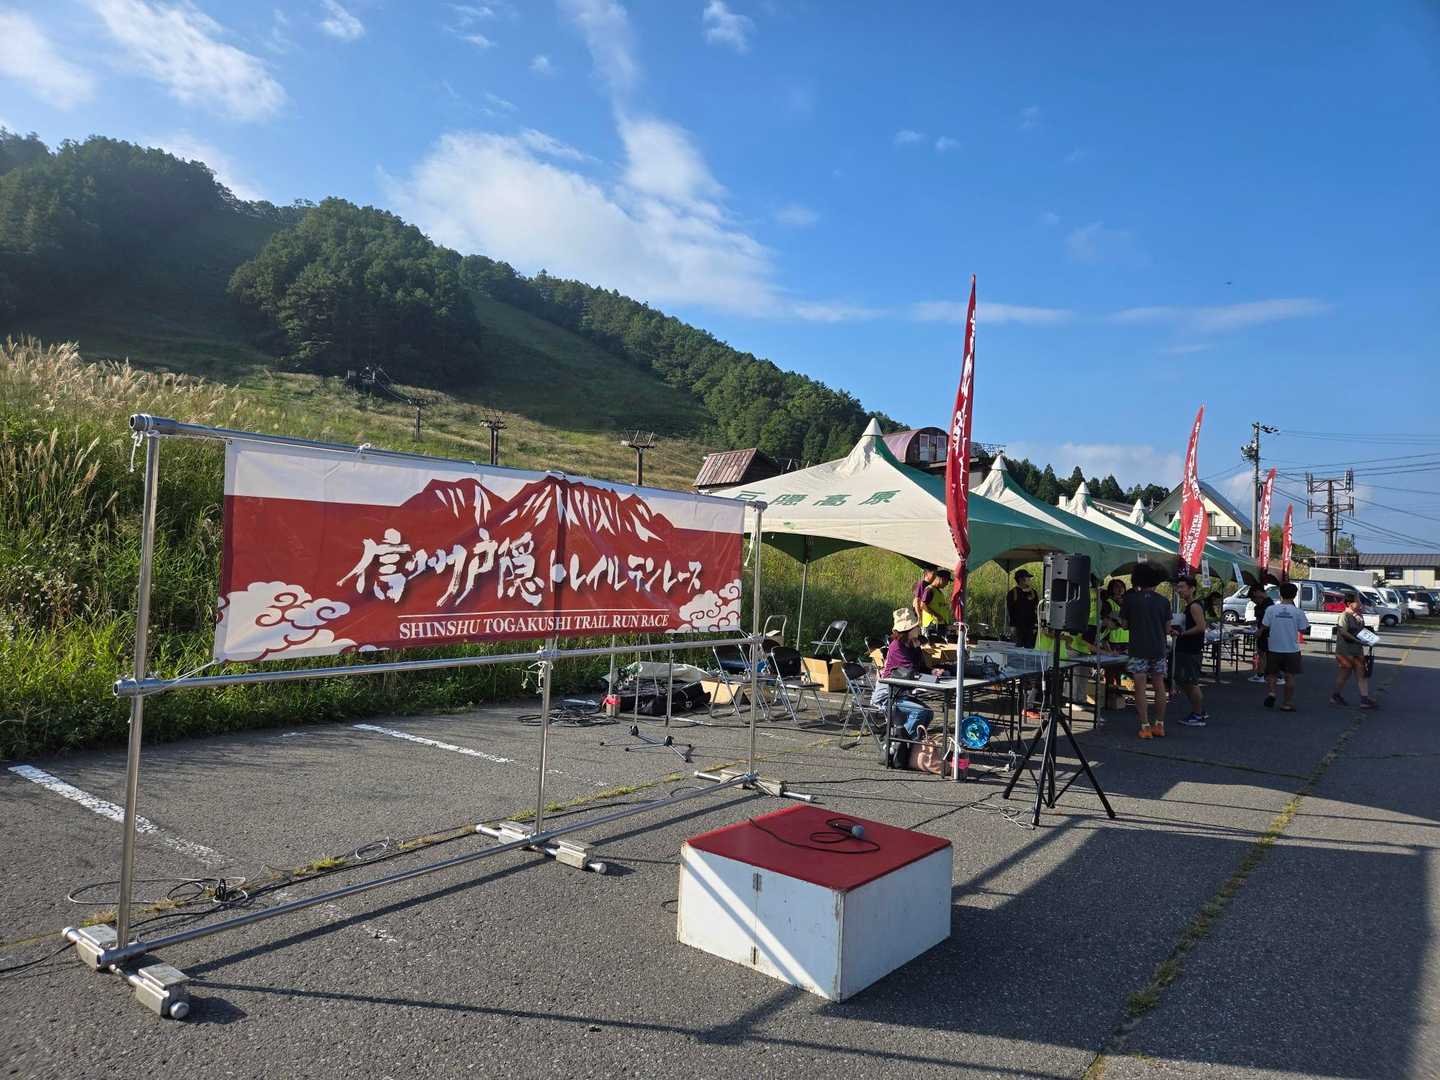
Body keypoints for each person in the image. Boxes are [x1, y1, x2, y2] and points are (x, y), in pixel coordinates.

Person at [871, 607, 946, 744]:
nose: (918, 629)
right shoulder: (897, 646)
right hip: (888, 694)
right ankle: (902, 743)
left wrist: (932, 672)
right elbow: (910, 671)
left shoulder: (911, 644)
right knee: (920, 712)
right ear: (908, 630)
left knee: (928, 713)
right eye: (915, 627)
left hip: (901, 692)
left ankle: (911, 742)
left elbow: (919, 667)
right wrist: (917, 649)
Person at [1119, 562, 1172, 738]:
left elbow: (1124, 625)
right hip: (1158, 649)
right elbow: (1167, 629)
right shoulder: (1164, 601)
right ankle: (1160, 725)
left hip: (1137, 649)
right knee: (1159, 686)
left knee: (1140, 687)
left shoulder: (1130, 599)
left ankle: (1145, 726)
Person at [1262, 581, 1309, 711]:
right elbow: (1303, 629)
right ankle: (1287, 703)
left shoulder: (1271, 609)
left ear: (1280, 594)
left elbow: (1265, 625)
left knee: (1272, 674)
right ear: (1295, 595)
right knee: (1290, 676)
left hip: (1274, 647)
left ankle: (1272, 693)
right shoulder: (1298, 612)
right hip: (1291, 649)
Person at [1171, 575, 1208, 727]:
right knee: (1184, 681)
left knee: (1191, 682)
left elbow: (1201, 626)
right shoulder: (1189, 606)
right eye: (1178, 587)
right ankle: (1199, 711)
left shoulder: (1194, 606)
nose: (1179, 590)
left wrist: (1182, 633)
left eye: (1182, 587)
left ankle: (1198, 715)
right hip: (1186, 649)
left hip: (1191, 650)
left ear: (1192, 589)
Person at [1332, 592, 1378, 710]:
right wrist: (1357, 640)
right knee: (1344, 674)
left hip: (1357, 650)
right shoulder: (1344, 616)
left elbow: (1361, 632)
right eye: (1358, 601)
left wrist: (1369, 638)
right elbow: (1343, 632)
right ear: (1349, 603)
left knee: (1361, 674)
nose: (1360, 604)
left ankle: (1364, 699)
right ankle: (1335, 696)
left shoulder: (1359, 616)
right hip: (1345, 651)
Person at [1006, 568, 1039, 648]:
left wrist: (1035, 625)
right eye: (1027, 577)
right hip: (1018, 628)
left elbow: (1036, 610)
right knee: (1017, 650)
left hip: (1030, 628)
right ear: (1021, 579)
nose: (1029, 579)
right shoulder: (1012, 593)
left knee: (1030, 650)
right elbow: (1010, 611)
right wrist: (1012, 626)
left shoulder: (1033, 592)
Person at [1248, 584, 1272, 684]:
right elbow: (1259, 619)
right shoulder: (1260, 605)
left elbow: (1268, 621)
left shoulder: (1269, 604)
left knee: (1264, 654)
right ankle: (1261, 673)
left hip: (1267, 633)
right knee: (1261, 653)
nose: (1254, 600)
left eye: (1253, 598)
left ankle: (1262, 674)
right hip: (1262, 632)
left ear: (1257, 593)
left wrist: (1261, 630)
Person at [920, 567, 954, 639]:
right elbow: (922, 605)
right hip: (931, 626)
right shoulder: (929, 590)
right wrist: (935, 615)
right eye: (947, 581)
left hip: (939, 625)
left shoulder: (938, 592)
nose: (947, 584)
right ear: (941, 579)